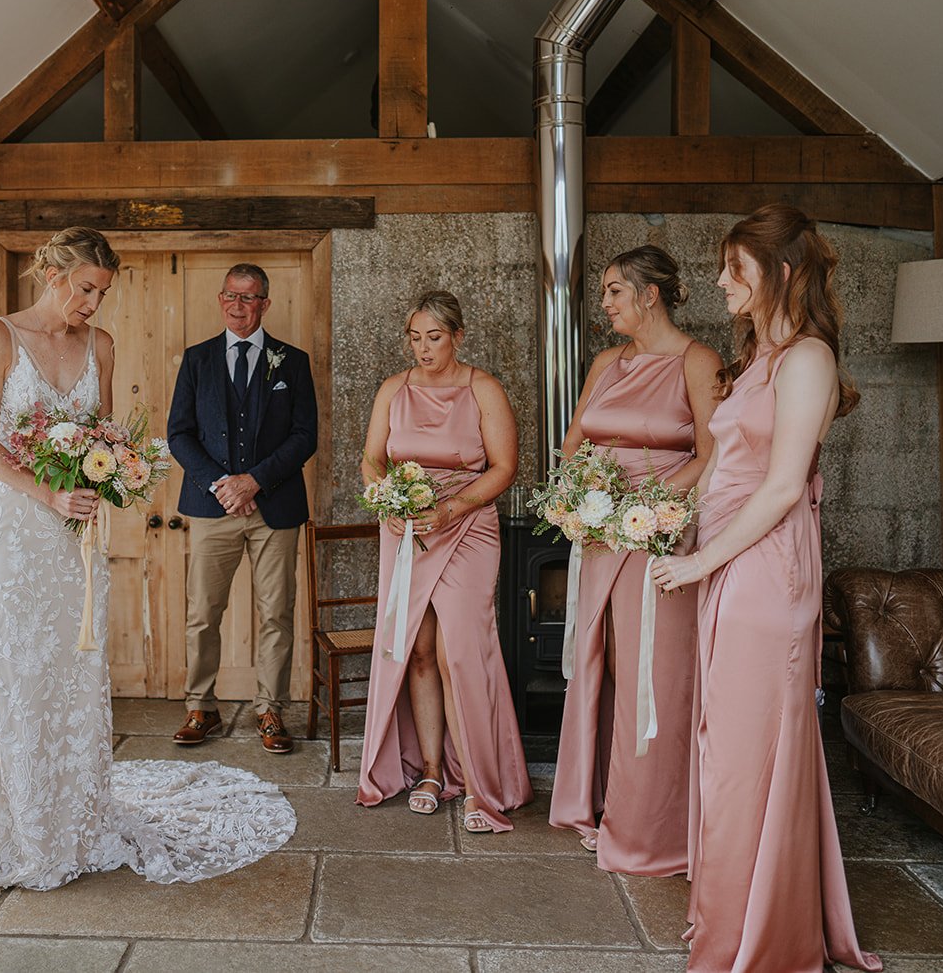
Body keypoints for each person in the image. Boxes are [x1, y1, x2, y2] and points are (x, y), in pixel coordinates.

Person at [0, 228, 293, 890]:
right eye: (87, 289)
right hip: (17, 530)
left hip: (77, 536)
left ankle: (79, 815)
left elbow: (105, 434)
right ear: (53, 274)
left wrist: (113, 472)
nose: (94, 303)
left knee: (77, 665)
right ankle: (22, 821)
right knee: (23, 664)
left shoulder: (102, 346)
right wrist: (49, 494)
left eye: (103, 292)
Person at [651, 205, 882, 972]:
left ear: (780, 272)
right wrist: (665, 517)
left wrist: (699, 561)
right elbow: (722, 466)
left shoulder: (808, 359)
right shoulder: (757, 359)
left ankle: (760, 935)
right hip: (730, 564)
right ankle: (729, 912)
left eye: (734, 269)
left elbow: (782, 488)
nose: (719, 281)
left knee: (747, 753)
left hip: (764, 574)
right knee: (726, 746)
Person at [548, 247, 719, 873]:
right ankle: (601, 798)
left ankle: (650, 816)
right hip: (600, 533)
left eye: (616, 291)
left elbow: (713, 451)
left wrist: (645, 506)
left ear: (651, 295)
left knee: (655, 668)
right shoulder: (606, 362)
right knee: (606, 661)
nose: (607, 303)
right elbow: (575, 440)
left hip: (658, 532)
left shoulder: (697, 361)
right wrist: (580, 498)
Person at [356, 291, 530, 833]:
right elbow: (371, 458)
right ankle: (431, 770)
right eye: (415, 337)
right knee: (420, 650)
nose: (424, 348)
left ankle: (480, 783)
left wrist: (454, 506)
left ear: (457, 335)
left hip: (468, 527)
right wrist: (387, 498)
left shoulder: (483, 389)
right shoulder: (394, 389)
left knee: (463, 652)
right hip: (406, 529)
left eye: (434, 337)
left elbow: (505, 467)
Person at [167, 263, 318, 753]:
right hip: (213, 509)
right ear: (220, 298)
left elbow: (304, 436)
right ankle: (200, 707)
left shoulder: (291, 362)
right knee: (203, 612)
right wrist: (221, 485)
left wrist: (255, 480)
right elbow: (179, 435)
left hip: (275, 509)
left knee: (277, 611)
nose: (238, 305)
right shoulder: (196, 360)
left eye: (249, 298)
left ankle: (270, 710)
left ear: (265, 304)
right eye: (230, 295)